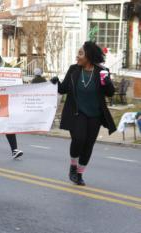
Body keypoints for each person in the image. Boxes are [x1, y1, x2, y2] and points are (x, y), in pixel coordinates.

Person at [50, 41, 116, 186]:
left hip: (95, 115)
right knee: (79, 139)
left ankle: (79, 174)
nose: (77, 56)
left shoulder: (101, 71)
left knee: (88, 145)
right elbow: (63, 89)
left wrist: (106, 81)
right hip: (77, 113)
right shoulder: (73, 70)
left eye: (80, 54)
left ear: (89, 56)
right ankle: (73, 165)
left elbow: (110, 93)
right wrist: (56, 83)